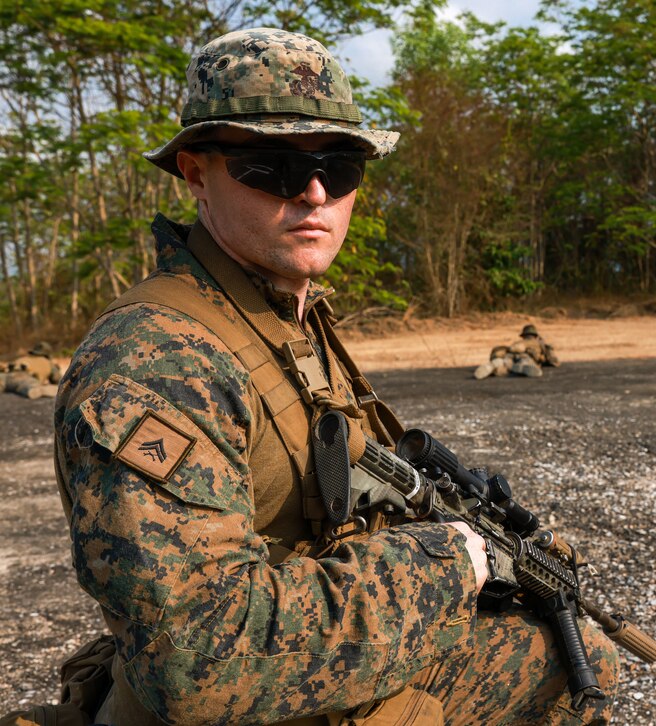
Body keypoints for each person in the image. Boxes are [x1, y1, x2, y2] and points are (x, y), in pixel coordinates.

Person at [31, 28, 616, 726]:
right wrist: (448, 563)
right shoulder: (157, 360)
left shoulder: (283, 316)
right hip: (230, 697)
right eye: (272, 166)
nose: (314, 192)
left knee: (571, 646)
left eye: (339, 168)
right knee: (564, 673)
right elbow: (196, 663)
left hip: (297, 653)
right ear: (196, 172)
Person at [474, 324, 561, 379]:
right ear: (535, 335)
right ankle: (523, 367)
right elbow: (554, 362)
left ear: (523, 335)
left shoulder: (518, 343)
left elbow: (510, 349)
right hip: (525, 356)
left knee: (503, 364)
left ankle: (495, 365)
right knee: (525, 361)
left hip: (509, 355)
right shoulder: (538, 343)